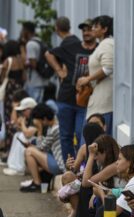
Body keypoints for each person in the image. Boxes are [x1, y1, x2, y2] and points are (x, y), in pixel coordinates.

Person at [45, 18, 97, 162]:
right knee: (65, 135)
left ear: (96, 31)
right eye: (84, 30)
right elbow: (49, 54)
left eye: (89, 29)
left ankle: (81, 167)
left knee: (81, 134)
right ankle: (69, 166)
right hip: (66, 98)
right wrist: (59, 71)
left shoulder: (99, 48)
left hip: (86, 100)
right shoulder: (72, 45)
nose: (86, 33)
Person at [76, 15, 114, 135]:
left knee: (94, 140)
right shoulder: (103, 44)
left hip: (103, 104)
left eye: (96, 26)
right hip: (99, 100)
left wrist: (87, 79)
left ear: (104, 29)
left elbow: (108, 68)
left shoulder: (107, 44)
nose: (92, 28)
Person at [20, 103, 64, 192]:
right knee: (31, 150)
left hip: (59, 165)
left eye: (39, 122)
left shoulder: (55, 129)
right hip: (56, 160)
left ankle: (37, 183)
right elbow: (45, 144)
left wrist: (39, 130)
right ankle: (37, 182)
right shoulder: (54, 125)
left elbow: (42, 148)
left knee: (29, 151)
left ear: (44, 119)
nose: (38, 124)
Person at [0, 40, 26, 160]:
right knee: (17, 119)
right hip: (19, 92)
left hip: (10, 92)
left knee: (8, 119)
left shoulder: (8, 61)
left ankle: (7, 149)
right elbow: (24, 77)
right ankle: (14, 149)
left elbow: (2, 78)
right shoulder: (21, 61)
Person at [3, 96, 37, 176]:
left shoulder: (36, 116)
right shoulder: (29, 117)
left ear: (29, 109)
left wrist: (22, 123)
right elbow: (13, 123)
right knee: (17, 135)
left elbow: (28, 134)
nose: (22, 113)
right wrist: (20, 124)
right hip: (34, 140)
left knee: (22, 136)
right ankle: (13, 165)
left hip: (39, 142)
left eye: (23, 110)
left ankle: (19, 168)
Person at [20, 21, 49, 102]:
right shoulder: (39, 41)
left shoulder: (30, 44)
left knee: (33, 107)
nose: (21, 33)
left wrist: (25, 64)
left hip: (34, 82)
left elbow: (33, 64)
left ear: (27, 31)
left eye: (22, 30)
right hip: (42, 81)